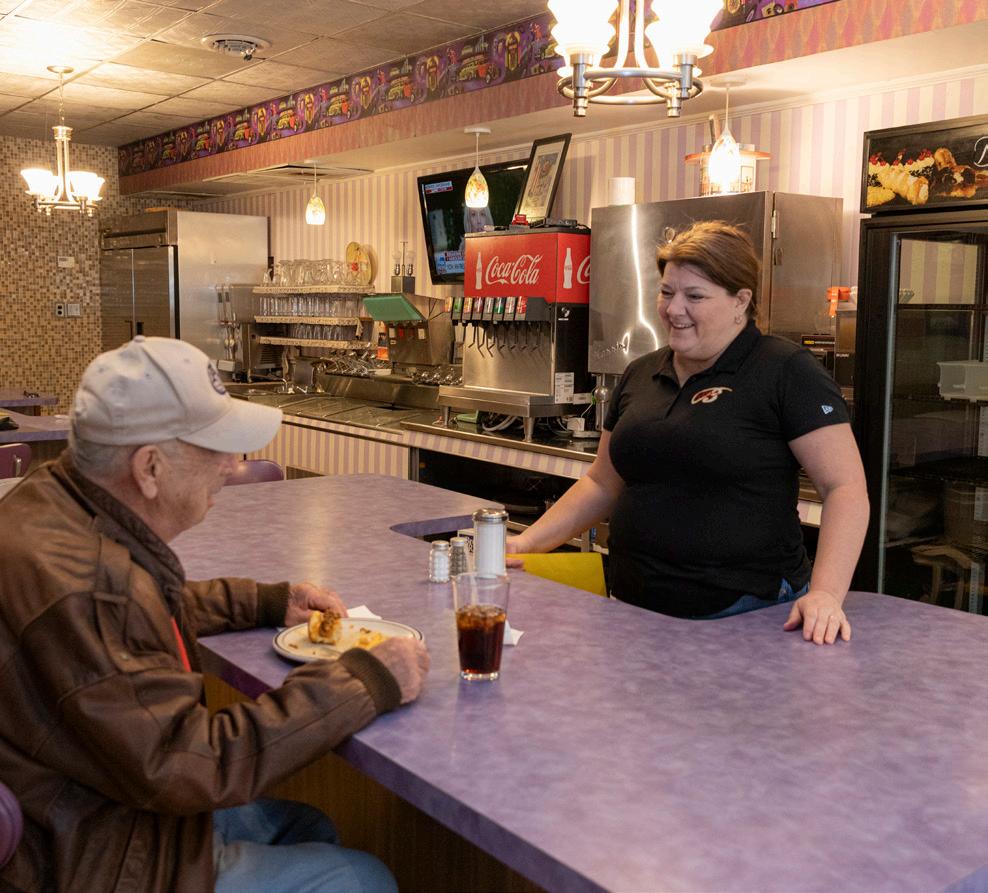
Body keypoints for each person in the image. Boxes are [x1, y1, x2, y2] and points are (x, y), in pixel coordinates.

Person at [0, 336, 430, 892]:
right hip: (88, 857)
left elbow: (131, 620)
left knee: (309, 826)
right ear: (149, 467)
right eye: (217, 449)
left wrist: (265, 602)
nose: (233, 466)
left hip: (75, 803)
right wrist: (366, 679)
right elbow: (190, 764)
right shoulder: (95, 588)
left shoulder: (50, 499)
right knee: (361, 878)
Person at [508, 221, 869, 645]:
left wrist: (826, 594)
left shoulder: (785, 370)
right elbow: (602, 483)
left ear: (741, 301)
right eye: (666, 292)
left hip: (745, 616)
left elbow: (845, 488)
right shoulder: (641, 372)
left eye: (694, 296)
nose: (673, 309)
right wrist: (526, 543)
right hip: (632, 608)